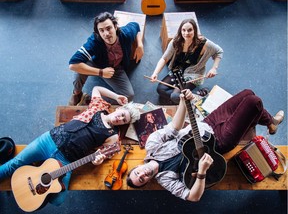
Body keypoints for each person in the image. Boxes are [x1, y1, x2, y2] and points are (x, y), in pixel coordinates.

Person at [126, 89, 284, 201]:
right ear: (146, 183)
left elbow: (174, 126)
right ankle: (269, 121)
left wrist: (183, 101)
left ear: (137, 167)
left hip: (206, 124)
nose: (142, 175)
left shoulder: (152, 145)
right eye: (141, 180)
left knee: (248, 93)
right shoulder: (166, 180)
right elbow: (193, 197)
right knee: (253, 101)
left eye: (137, 173)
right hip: (219, 143)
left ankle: (270, 123)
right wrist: (201, 172)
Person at [0, 86, 140, 206]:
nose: (120, 119)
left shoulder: (113, 137)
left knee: (58, 200)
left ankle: (40, 171)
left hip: (66, 161)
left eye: (124, 120)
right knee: (14, 164)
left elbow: (100, 157)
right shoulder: (100, 106)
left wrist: (97, 161)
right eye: (122, 114)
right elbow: (97, 88)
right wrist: (116, 96)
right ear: (119, 109)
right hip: (49, 140)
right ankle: (38, 168)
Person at [68, 11, 144, 106]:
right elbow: (72, 65)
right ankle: (77, 94)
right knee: (79, 68)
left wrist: (140, 45)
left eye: (109, 28)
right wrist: (101, 72)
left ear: (116, 27)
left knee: (128, 96)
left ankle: (92, 100)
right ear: (98, 32)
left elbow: (136, 25)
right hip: (98, 64)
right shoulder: (94, 41)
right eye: (101, 30)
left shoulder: (126, 33)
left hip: (115, 68)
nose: (106, 34)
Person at [150, 18, 223, 103]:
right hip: (178, 70)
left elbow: (219, 51)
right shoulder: (176, 41)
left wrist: (214, 68)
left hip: (193, 73)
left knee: (175, 96)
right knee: (160, 89)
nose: (186, 33)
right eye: (183, 30)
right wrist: (155, 73)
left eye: (189, 30)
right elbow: (164, 58)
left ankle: (198, 94)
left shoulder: (204, 43)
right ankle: (192, 96)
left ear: (195, 30)